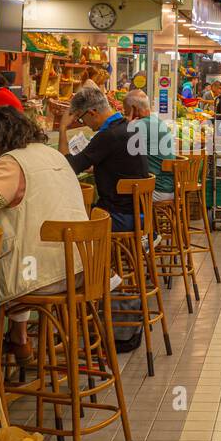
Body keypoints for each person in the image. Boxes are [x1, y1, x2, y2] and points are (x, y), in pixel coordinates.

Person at [0, 106, 87, 363]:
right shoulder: (54, 155)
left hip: (40, 276)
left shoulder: (12, 162)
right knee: (10, 261)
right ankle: (17, 339)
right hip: (74, 268)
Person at [59, 85, 149, 350]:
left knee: (73, 236)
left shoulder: (107, 136)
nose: (84, 125)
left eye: (83, 119)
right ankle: (106, 285)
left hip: (119, 219)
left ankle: (100, 288)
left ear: (93, 113)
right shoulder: (130, 128)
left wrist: (64, 129)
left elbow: (68, 168)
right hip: (140, 214)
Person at [123, 88, 176, 203]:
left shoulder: (139, 125)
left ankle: (137, 221)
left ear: (134, 109)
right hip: (169, 186)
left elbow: (122, 150)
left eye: (126, 111)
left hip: (157, 189)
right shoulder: (158, 121)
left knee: (118, 193)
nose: (125, 114)